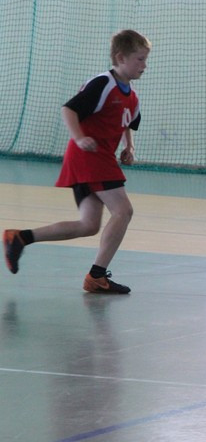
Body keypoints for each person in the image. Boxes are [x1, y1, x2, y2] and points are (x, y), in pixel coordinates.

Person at [4, 30, 151, 294]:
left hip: (97, 158)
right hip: (90, 156)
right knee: (123, 211)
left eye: (145, 59)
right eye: (139, 59)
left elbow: (127, 122)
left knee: (89, 225)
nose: (144, 65)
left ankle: (20, 238)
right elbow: (69, 109)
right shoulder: (103, 83)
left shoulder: (132, 96)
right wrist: (80, 137)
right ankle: (97, 276)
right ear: (121, 58)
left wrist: (129, 146)